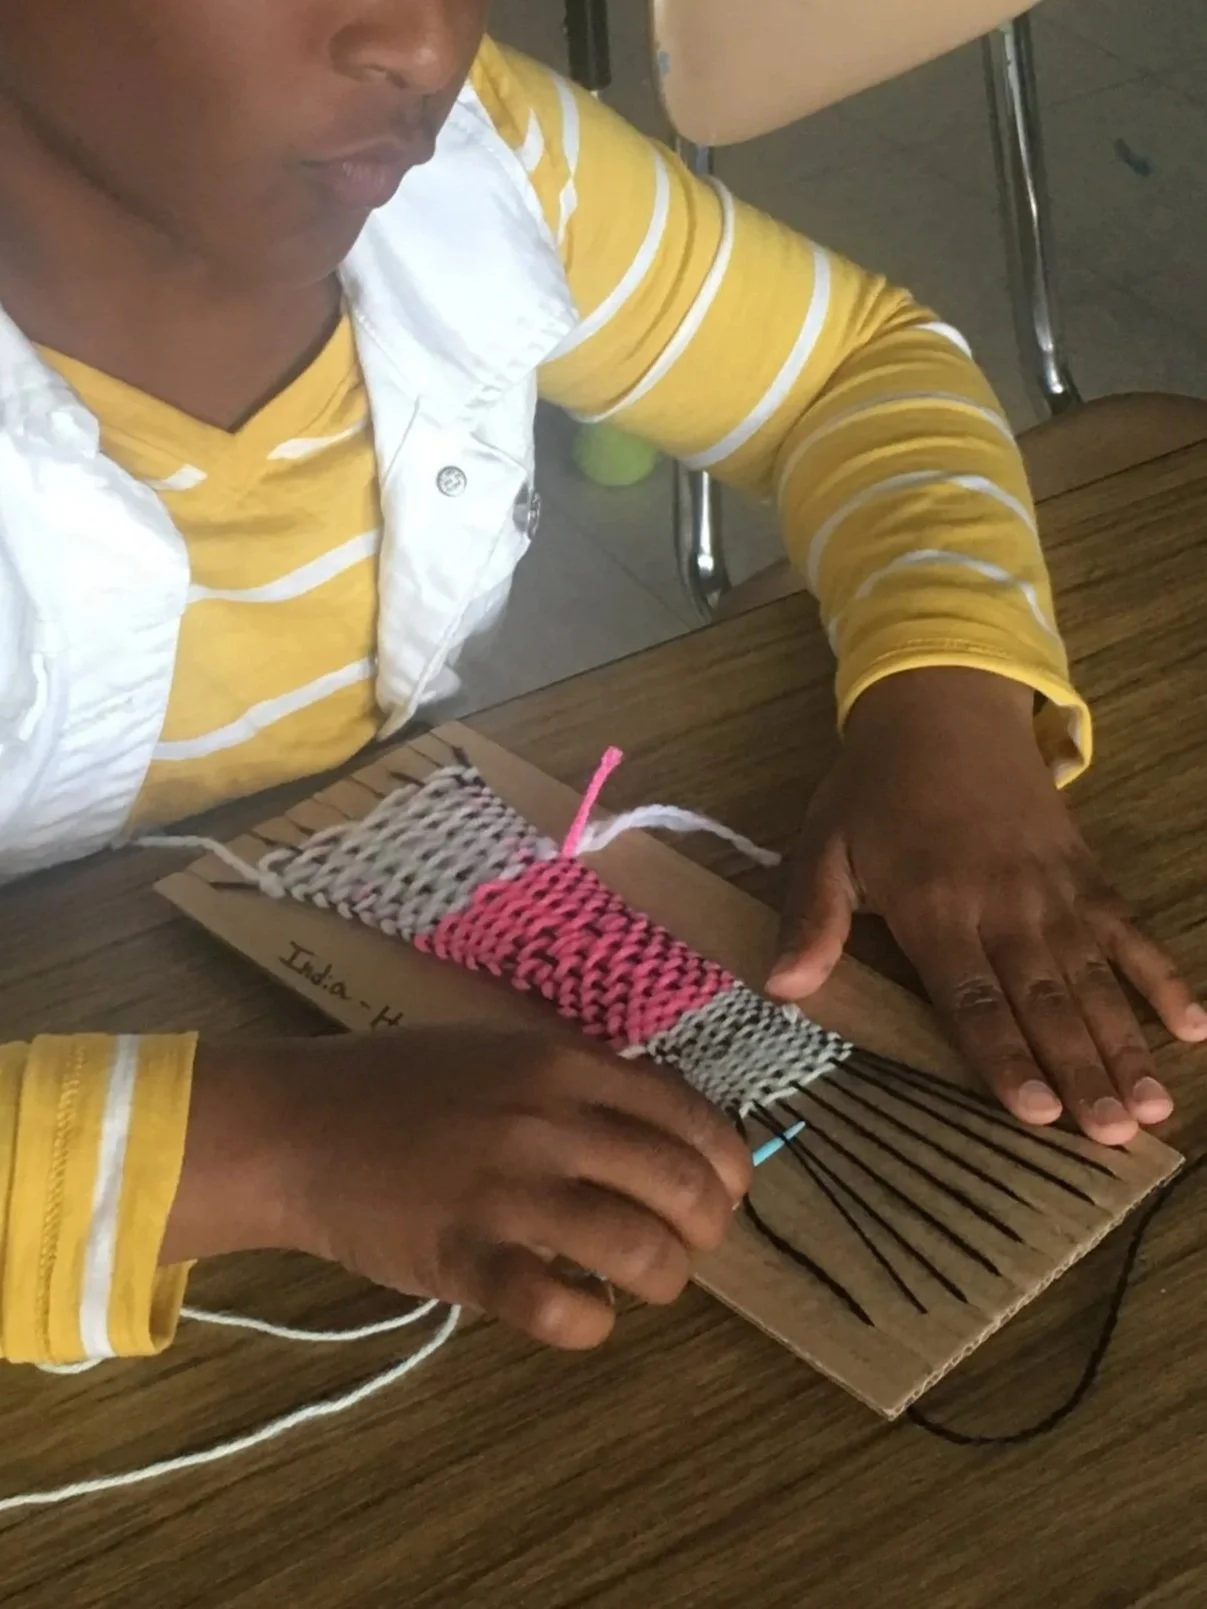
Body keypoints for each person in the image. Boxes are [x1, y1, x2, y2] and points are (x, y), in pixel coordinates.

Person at [0, 1, 1200, 1370]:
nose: (424, 44)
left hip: (342, 886)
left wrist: (947, 703)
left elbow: (852, 370)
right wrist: (269, 1154)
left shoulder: (488, 161)